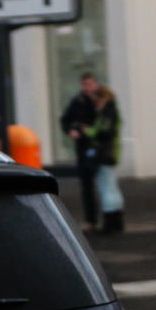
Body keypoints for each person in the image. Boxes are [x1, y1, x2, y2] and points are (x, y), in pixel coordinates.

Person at [81, 80, 125, 233]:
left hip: (104, 153)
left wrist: (89, 132)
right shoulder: (113, 110)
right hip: (112, 152)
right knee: (112, 187)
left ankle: (109, 223)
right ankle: (117, 221)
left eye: (96, 100)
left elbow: (102, 132)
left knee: (106, 187)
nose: (95, 104)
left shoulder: (107, 112)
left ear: (103, 98)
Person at [60, 72, 101, 231]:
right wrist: (71, 130)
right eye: (84, 84)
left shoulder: (101, 100)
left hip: (99, 147)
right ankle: (91, 220)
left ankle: (110, 219)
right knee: (86, 184)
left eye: (90, 84)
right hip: (83, 147)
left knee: (104, 183)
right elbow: (66, 120)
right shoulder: (78, 101)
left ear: (95, 84)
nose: (87, 87)